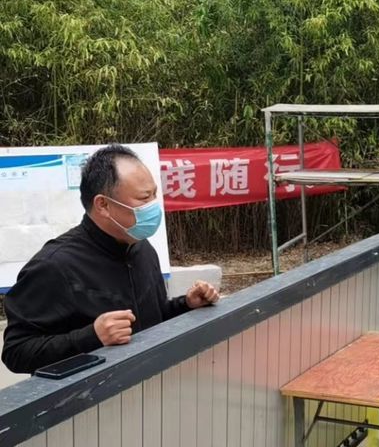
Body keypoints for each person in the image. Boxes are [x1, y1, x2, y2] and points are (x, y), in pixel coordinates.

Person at [2, 144, 219, 374]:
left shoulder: (142, 249)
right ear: (103, 205)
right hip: (90, 395)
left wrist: (186, 305)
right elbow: (16, 352)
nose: (154, 206)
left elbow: (152, 318)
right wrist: (90, 337)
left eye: (155, 194)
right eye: (144, 198)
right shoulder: (54, 266)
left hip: (148, 384)